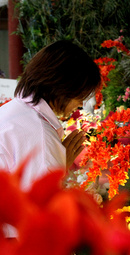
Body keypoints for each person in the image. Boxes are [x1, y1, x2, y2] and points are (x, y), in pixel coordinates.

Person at [0, 40, 101, 191]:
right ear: (64, 87)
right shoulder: (40, 133)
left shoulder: (12, 109)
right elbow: (40, 205)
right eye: (81, 96)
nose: (80, 104)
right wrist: (55, 163)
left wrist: (57, 164)